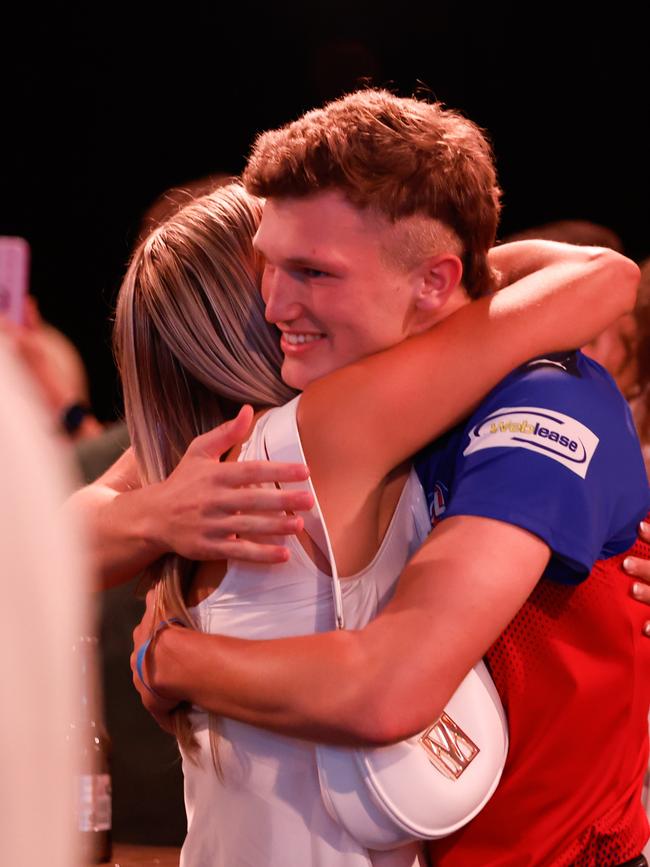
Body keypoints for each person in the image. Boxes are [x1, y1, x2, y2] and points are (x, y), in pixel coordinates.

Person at [69, 90, 647, 865]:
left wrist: (169, 653)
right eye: (269, 268)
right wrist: (433, 283)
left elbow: (388, 686)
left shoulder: (300, 430)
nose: (279, 302)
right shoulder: (286, 433)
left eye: (310, 269)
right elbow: (600, 277)